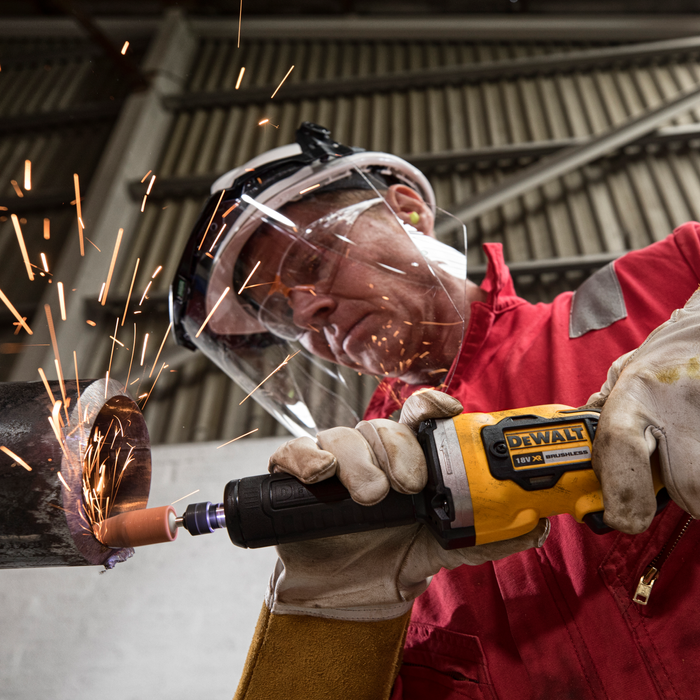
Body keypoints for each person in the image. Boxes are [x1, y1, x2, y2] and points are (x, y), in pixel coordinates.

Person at [171, 122, 700, 699]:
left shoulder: (667, 281)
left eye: (310, 265)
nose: (306, 313)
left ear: (407, 211)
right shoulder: (370, 508)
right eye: (279, 310)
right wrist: (330, 613)